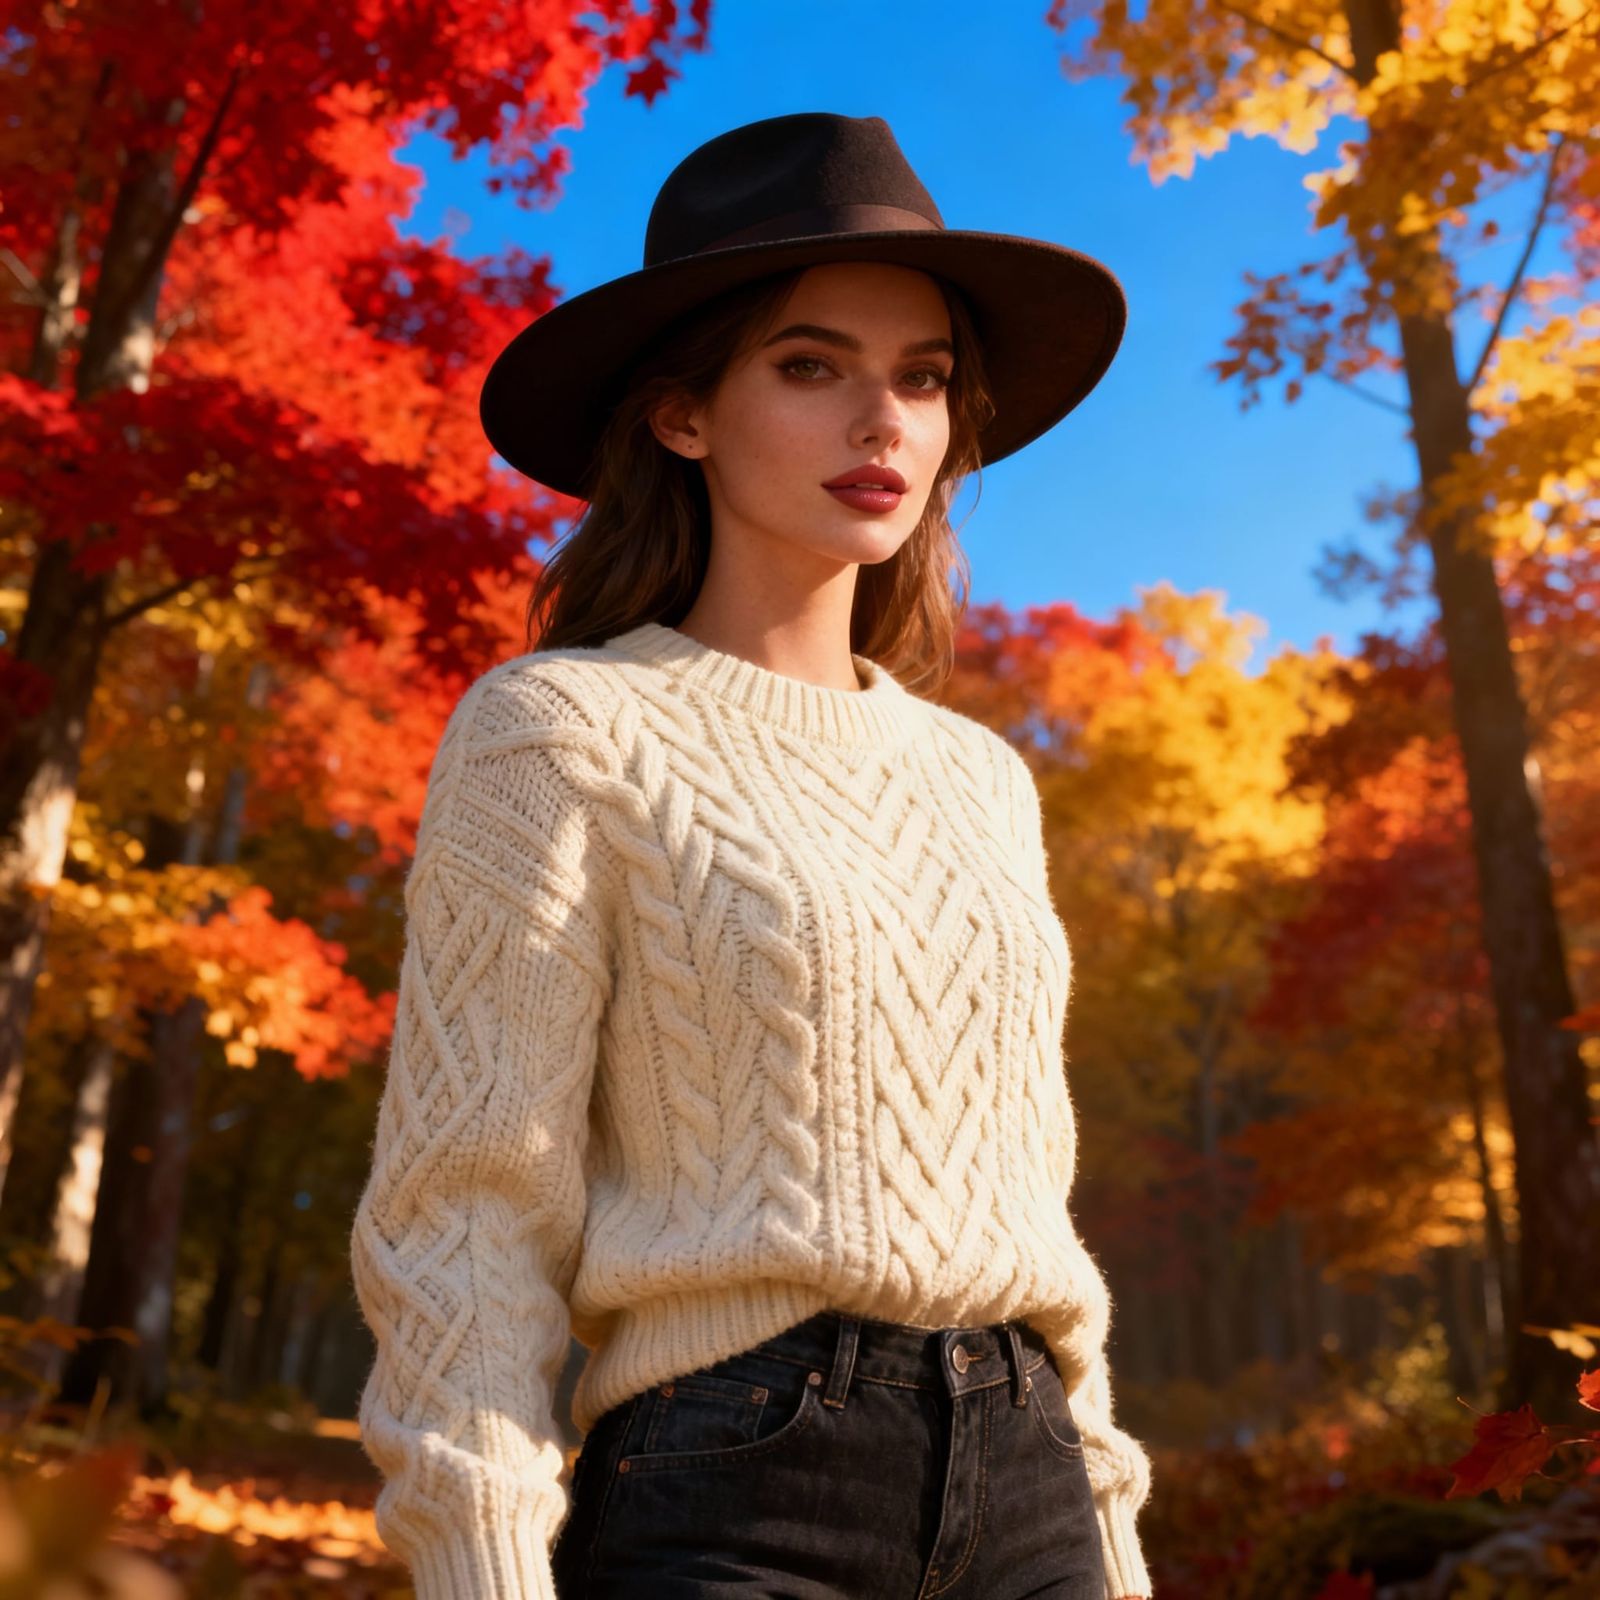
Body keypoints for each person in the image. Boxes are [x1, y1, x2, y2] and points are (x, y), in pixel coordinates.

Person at [349, 111, 1153, 1600]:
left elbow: (1032, 1212)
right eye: (812, 365)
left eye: (922, 379)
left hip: (1035, 1495)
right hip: (737, 1485)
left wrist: (1106, 1530)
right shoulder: (560, 730)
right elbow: (464, 1213)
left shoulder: (984, 780)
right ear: (681, 414)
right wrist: (480, 1565)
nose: (885, 423)